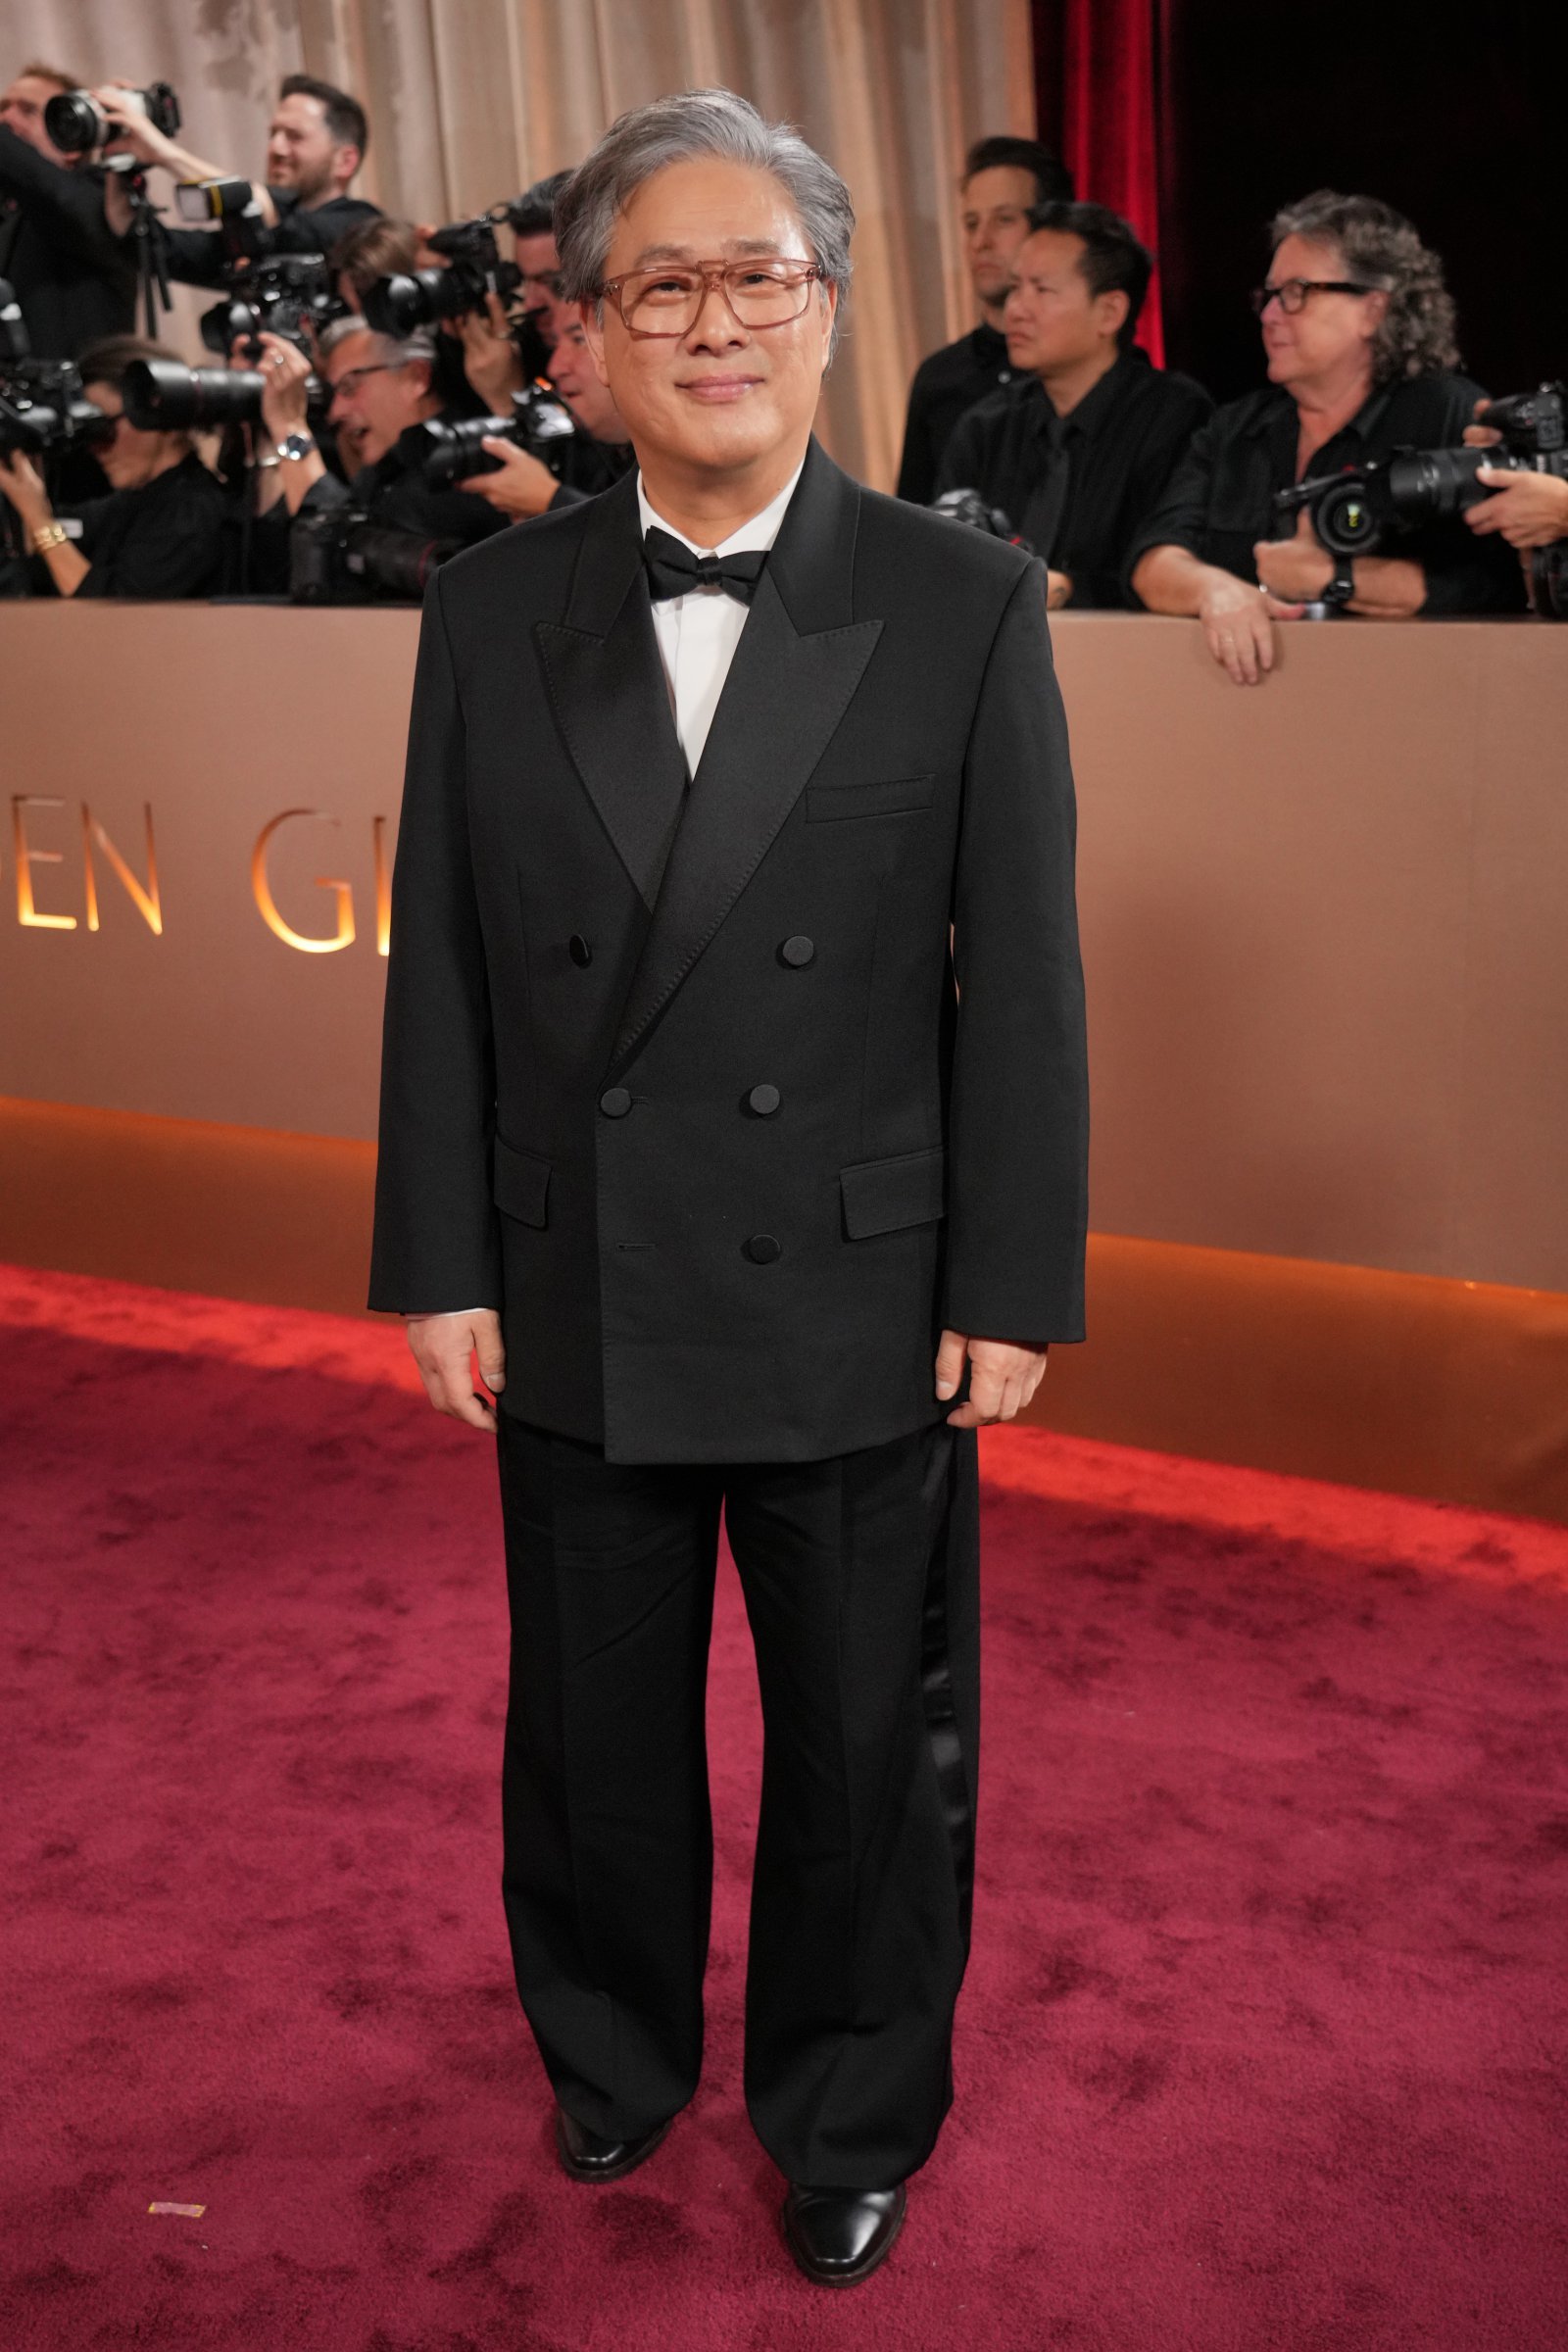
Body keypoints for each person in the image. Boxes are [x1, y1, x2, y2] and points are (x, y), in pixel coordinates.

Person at [368, 86, 1088, 2289]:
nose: (712, 322)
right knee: (590, 1718)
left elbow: (1020, 969)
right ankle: (604, 2053)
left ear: (825, 310)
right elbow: (451, 971)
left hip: (858, 1291)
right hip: (575, 1265)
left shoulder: (959, 598)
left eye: (753, 276)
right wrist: (433, 1260)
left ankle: (850, 2102)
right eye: (658, 282)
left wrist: (1012, 1276)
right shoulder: (490, 605)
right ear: (578, 334)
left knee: (869, 1744)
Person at [1129, 190, 1524, 684]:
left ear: (1374, 310)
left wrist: (1334, 579)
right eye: (1269, 296)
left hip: (1410, 705)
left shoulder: (1450, 416)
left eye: (1297, 292)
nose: (1271, 315)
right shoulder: (1235, 427)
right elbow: (1152, 559)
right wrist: (1214, 590)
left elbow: (1498, 584)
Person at [937, 199, 1211, 608]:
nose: (1016, 309)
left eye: (1041, 290)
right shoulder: (985, 425)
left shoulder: (1174, 416)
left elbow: (1160, 569)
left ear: (1109, 312)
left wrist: (1062, 589)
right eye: (1015, 288)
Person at [244, 315, 508, 575]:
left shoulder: (469, 464)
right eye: (332, 393)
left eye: (349, 387)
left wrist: (290, 426)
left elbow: (351, 546)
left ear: (417, 377)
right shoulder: (381, 473)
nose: (335, 411)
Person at [895, 133, 1073, 505]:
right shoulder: (939, 378)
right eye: (972, 224)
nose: (981, 241)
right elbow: (913, 525)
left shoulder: (1078, 368)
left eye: (1004, 220)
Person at [0, 331, 227, 597]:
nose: (96, 447)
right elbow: (60, 530)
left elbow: (111, 611)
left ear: (156, 409)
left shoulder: (192, 511)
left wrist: (40, 521)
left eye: (103, 428)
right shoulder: (135, 502)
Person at [99, 74, 380, 286]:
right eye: (273, 135)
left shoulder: (362, 227)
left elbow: (278, 219)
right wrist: (118, 152)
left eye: (294, 136)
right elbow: (150, 247)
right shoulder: (254, 237)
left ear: (345, 161)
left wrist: (161, 151)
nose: (276, 149)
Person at [0, 60, 135, 356]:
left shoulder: (103, 196)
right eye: (3, 108)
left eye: (28, 110)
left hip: (88, 396)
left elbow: (51, 192)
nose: (6, 119)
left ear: (72, 139)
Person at [457, 313, 635, 519]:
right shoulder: (606, 462)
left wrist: (551, 501)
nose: (555, 368)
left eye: (578, 340)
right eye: (555, 342)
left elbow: (656, 547)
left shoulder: (676, 458)